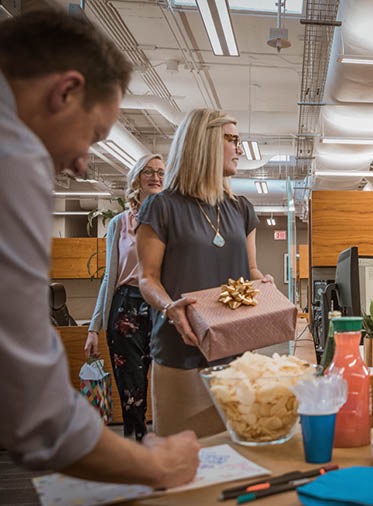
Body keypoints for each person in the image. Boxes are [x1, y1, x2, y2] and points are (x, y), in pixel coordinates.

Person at [0, 10, 198, 487]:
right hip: (129, 310)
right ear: (65, 91)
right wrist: (157, 466)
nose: (85, 166)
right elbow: (36, 414)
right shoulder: (14, 157)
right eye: (92, 135)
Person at [137, 108, 273, 438]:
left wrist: (263, 283)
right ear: (205, 142)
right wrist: (169, 307)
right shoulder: (161, 207)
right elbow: (147, 278)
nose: (239, 148)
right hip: (181, 353)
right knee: (185, 463)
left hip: (235, 353)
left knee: (235, 453)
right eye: (232, 140)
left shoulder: (241, 209)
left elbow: (250, 269)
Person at [84, 154, 165, 442]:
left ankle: (165, 444)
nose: (156, 177)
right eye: (148, 172)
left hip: (161, 306)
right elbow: (110, 276)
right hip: (126, 307)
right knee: (132, 387)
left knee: (167, 381)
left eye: (160, 172)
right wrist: (94, 328)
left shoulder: (169, 219)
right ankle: (138, 445)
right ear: (136, 179)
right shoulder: (119, 222)